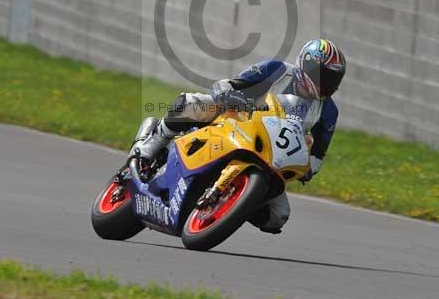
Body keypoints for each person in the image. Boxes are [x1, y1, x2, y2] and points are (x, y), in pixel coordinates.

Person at [131, 39, 346, 234]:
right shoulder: (277, 70)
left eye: (332, 79)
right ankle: (154, 142)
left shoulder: (328, 111)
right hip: (239, 120)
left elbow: (318, 154)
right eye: (323, 75)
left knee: (277, 216)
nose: (326, 83)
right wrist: (230, 93)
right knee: (192, 103)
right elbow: (234, 84)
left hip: (272, 154)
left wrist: (308, 169)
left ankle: (234, 204)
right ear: (306, 65)